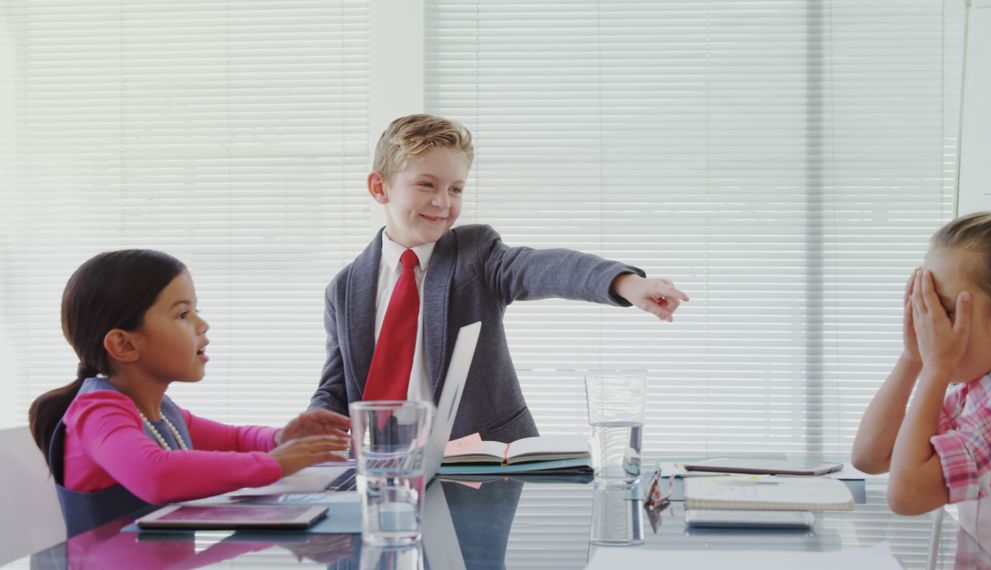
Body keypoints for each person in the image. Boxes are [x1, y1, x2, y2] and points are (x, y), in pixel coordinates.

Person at [308, 114, 689, 442]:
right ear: (380, 188)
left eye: (455, 189)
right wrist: (311, 424)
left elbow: (543, 268)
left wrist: (625, 283)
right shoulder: (344, 290)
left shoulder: (476, 254)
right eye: (427, 185)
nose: (443, 202)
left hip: (485, 465)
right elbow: (337, 387)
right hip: (387, 469)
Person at [28, 250, 351, 536]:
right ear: (124, 344)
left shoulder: (160, 412)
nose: (202, 324)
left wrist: (281, 439)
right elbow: (156, 475)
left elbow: (235, 440)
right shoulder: (96, 411)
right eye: (183, 314)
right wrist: (273, 464)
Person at [851, 210, 991, 517]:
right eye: (924, 306)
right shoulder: (980, 388)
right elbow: (872, 456)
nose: (929, 325)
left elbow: (908, 495)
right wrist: (913, 357)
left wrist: (935, 368)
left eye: (943, 310)